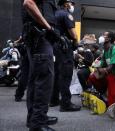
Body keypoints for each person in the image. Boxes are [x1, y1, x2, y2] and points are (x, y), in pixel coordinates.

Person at [22, 0, 58, 130]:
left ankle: (34, 118)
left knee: (36, 81)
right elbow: (28, 3)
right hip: (40, 37)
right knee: (44, 81)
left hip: (38, 38)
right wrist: (50, 28)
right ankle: (38, 123)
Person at [50, 0, 81, 112]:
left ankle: (53, 100)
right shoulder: (66, 14)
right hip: (64, 46)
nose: (72, 6)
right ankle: (66, 104)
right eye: (71, 3)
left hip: (54, 47)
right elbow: (73, 33)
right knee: (66, 74)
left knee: (57, 74)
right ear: (66, 4)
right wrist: (76, 41)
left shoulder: (54, 14)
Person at [89, 31, 115, 106]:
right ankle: (104, 93)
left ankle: (113, 99)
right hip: (110, 73)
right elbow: (102, 64)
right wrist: (97, 67)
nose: (101, 36)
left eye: (104, 35)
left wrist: (99, 69)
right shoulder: (105, 51)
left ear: (109, 39)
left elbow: (111, 67)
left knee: (112, 98)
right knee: (92, 77)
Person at [14, 35, 29, 102]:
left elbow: (19, 41)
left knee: (24, 76)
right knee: (25, 77)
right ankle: (18, 95)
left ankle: (18, 95)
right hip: (30, 53)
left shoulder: (27, 29)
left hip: (28, 54)